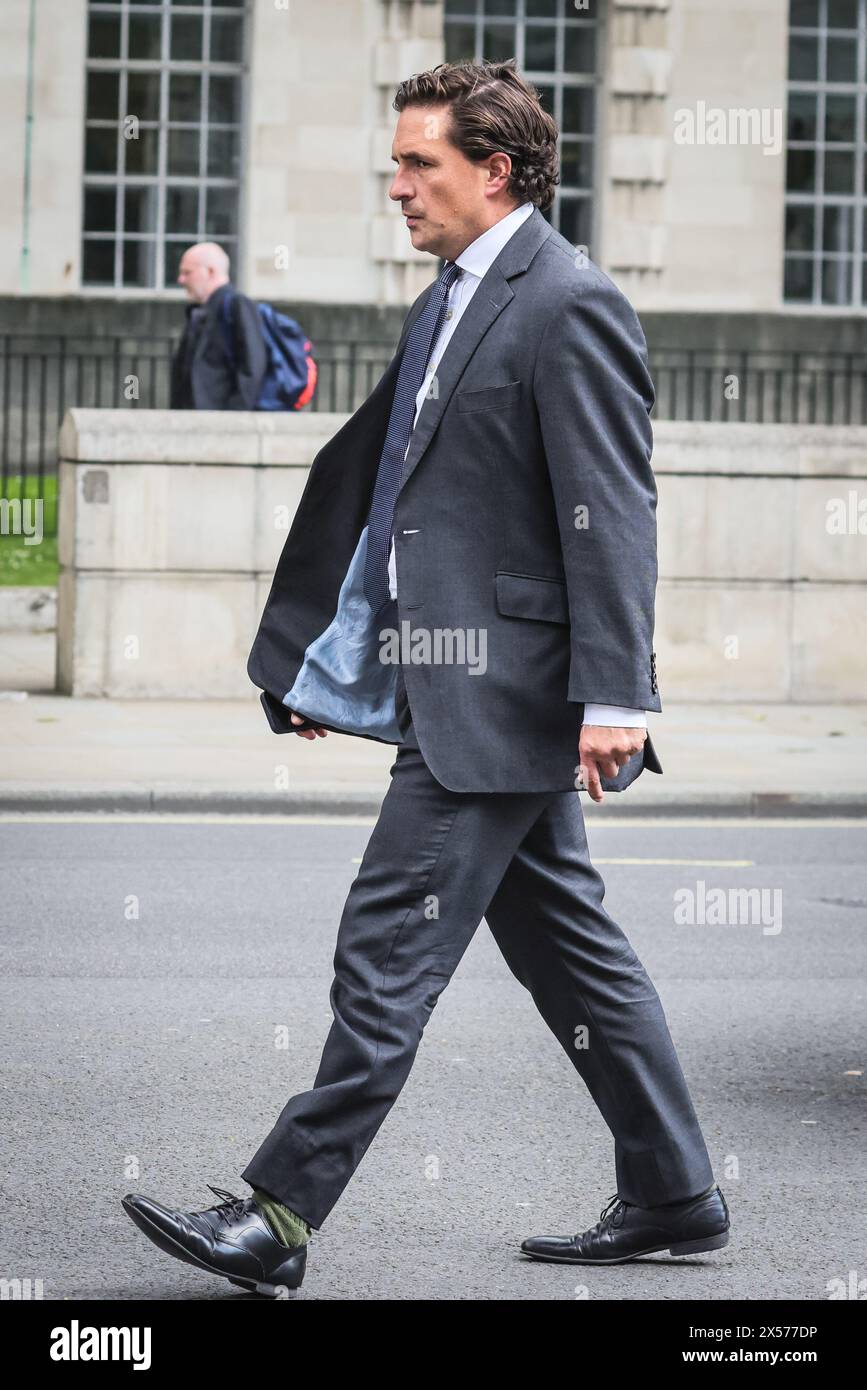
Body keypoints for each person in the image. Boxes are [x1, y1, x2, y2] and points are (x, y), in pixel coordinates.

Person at [123, 60, 729, 1298]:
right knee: (572, 954)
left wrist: (621, 694)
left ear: (494, 170)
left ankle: (281, 1213)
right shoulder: (450, 297)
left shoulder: (567, 300)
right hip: (451, 681)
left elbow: (610, 509)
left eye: (420, 164)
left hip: (504, 699)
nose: (396, 187)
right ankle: (675, 1191)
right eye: (395, 163)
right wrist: (324, 658)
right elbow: (400, 497)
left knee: (386, 948)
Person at [169, 241, 267, 410]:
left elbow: (253, 366)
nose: (181, 279)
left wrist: (232, 416)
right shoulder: (200, 311)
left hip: (221, 422)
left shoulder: (236, 305)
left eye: (188, 272)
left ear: (211, 272)